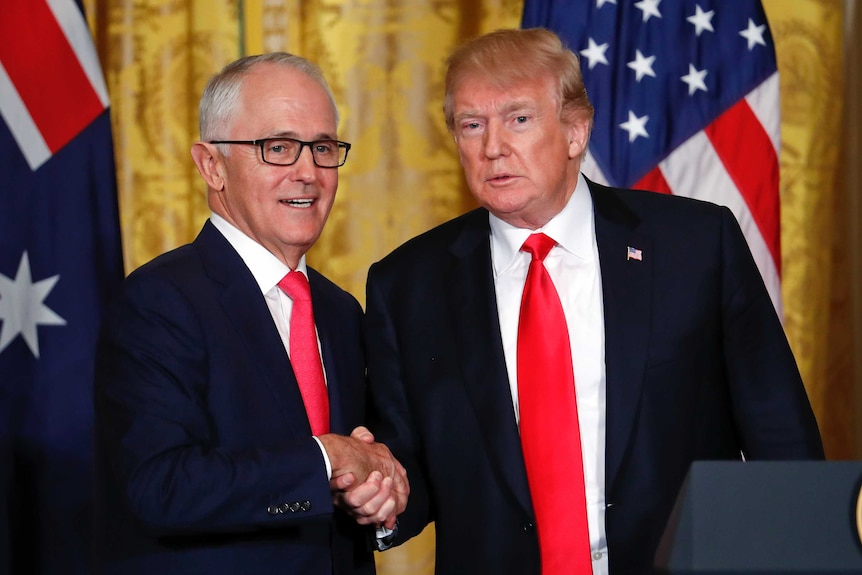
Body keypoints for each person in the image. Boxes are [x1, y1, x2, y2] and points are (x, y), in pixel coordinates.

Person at [358, 28, 824, 575]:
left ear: (576, 130)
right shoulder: (408, 284)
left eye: (519, 119)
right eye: (472, 124)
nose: (493, 147)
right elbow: (406, 472)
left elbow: (780, 438)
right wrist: (381, 493)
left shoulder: (696, 246)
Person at [93, 52, 407, 575]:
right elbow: (159, 487)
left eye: (323, 148)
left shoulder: (339, 309)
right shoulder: (158, 301)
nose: (307, 173)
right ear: (212, 165)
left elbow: (357, 471)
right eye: (278, 148)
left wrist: (379, 494)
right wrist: (325, 459)